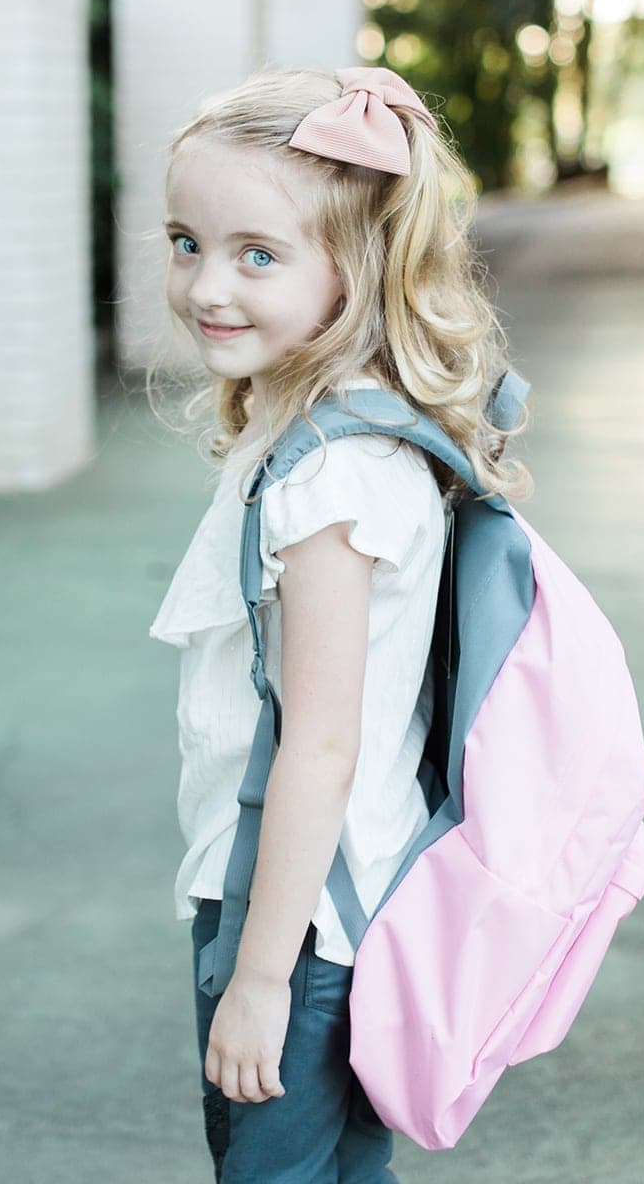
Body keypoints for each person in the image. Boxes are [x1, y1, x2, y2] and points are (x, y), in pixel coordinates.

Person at [147, 64, 532, 1181]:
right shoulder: (364, 433)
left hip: (295, 915)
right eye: (186, 240)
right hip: (356, 898)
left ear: (354, 269)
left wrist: (258, 976)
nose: (207, 285)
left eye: (256, 254)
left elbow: (320, 740)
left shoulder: (329, 483)